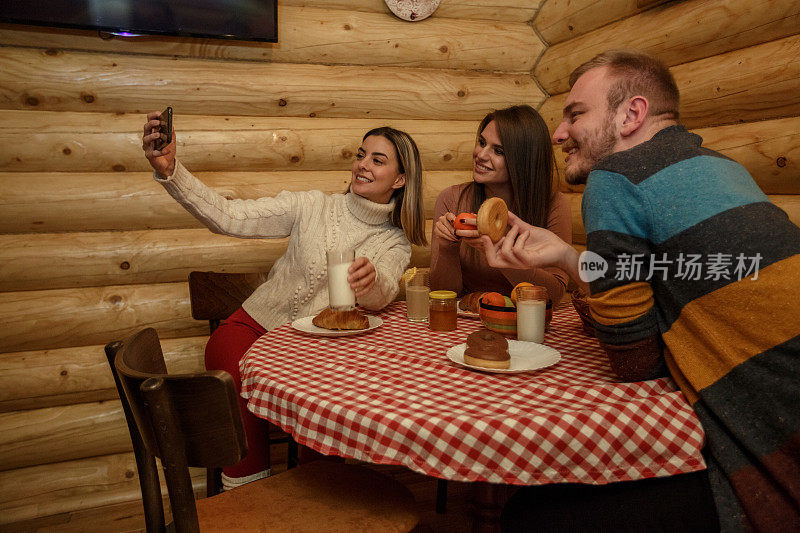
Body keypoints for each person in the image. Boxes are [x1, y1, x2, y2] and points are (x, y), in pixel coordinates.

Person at [484, 50, 800, 531]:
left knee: (531, 516)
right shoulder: (721, 166)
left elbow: (635, 363)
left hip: (773, 433)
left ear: (632, 114)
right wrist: (570, 258)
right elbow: (674, 272)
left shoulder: (616, 178)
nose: (559, 133)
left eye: (575, 114)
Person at [142, 117, 427, 490]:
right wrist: (171, 172)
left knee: (327, 409)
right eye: (361, 155)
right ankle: (249, 500)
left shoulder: (394, 243)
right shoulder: (311, 206)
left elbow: (385, 292)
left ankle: (311, 505)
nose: (362, 165)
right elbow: (230, 217)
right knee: (235, 382)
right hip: (253, 331)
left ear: (401, 179)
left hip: (318, 353)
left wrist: (370, 284)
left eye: (377, 160)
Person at [429, 105, 571, 304]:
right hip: (467, 318)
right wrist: (447, 248)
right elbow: (443, 293)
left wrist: (501, 255)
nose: (481, 154)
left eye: (498, 151)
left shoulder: (553, 204)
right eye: (481, 142)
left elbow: (554, 295)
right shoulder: (452, 199)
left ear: (523, 160)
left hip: (525, 320)